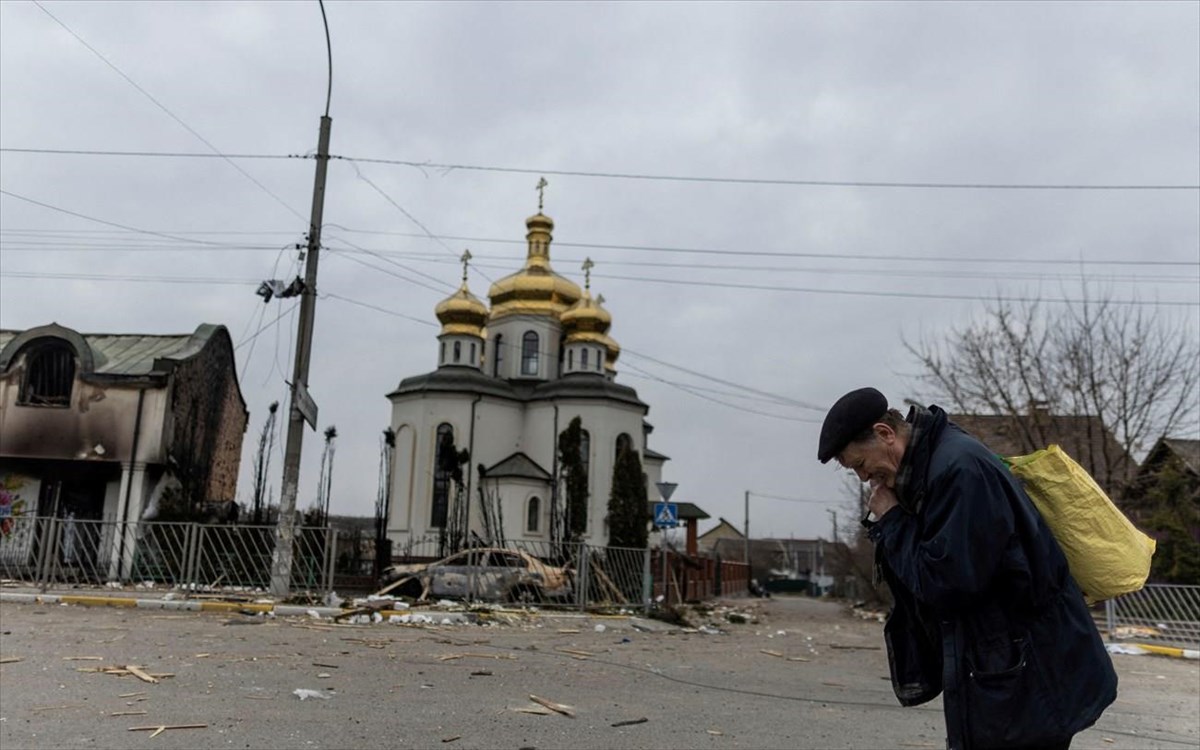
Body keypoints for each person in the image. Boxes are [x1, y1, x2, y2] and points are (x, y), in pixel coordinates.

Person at [817, 388, 1116, 750]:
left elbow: (945, 584)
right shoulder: (938, 464)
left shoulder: (959, 471)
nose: (865, 478)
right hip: (1007, 668)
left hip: (1028, 675)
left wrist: (893, 520)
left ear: (885, 434)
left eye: (860, 465)